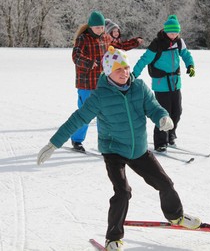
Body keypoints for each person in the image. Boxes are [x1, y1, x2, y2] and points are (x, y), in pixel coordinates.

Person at [37, 47, 201, 251]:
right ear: (108, 72)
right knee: (122, 192)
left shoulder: (139, 87)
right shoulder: (99, 96)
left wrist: (162, 117)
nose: (124, 72)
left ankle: (175, 216)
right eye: (118, 70)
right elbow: (78, 119)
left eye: (126, 67)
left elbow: (153, 107)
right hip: (113, 149)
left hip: (138, 148)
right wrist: (54, 143)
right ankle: (113, 237)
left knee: (165, 184)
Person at [133, 15, 195, 152]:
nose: (174, 35)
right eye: (171, 32)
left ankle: (171, 133)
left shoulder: (179, 42)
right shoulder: (157, 43)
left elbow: (186, 55)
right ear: (166, 31)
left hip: (175, 83)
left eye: (176, 32)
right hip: (161, 84)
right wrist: (134, 74)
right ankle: (160, 142)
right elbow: (144, 59)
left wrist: (190, 65)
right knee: (163, 113)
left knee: (177, 111)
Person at [70, 10, 112, 152]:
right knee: (86, 113)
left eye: (102, 27)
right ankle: (76, 140)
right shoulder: (83, 38)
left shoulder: (106, 38)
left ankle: (105, 141)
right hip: (86, 83)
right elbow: (76, 56)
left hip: (102, 83)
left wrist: (133, 43)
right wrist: (88, 63)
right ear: (91, 27)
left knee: (104, 113)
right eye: (97, 27)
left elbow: (117, 47)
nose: (100, 29)